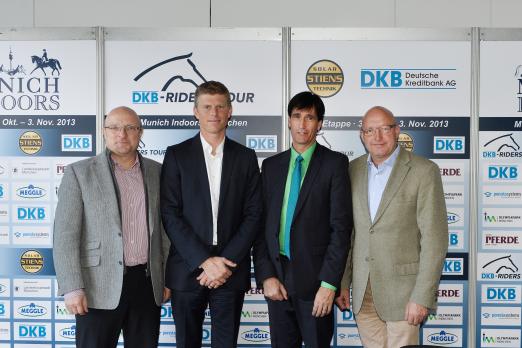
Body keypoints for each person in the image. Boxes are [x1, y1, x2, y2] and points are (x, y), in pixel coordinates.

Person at [53, 106, 170, 348]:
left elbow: (166, 231)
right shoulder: (79, 172)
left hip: (147, 285)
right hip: (97, 286)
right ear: (104, 132)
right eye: (114, 128)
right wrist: (72, 287)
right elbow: (65, 235)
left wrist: (166, 277)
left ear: (140, 132)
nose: (122, 134)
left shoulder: (158, 172)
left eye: (130, 128)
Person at [335, 106, 448, 347]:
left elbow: (434, 239)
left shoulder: (424, 171)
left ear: (396, 131)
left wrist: (422, 296)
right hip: (363, 293)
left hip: (405, 295)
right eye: (370, 130)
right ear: (362, 135)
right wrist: (343, 282)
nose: (377, 137)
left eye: (384, 129)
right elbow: (350, 233)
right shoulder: (351, 170)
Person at [160, 81, 262, 348]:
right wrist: (204, 261)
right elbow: (170, 214)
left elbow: (253, 215)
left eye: (220, 106)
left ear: (230, 111)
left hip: (231, 270)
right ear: (196, 111)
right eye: (207, 107)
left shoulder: (246, 157)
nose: (214, 113)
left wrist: (223, 263)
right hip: (187, 267)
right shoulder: (176, 155)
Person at [253, 91, 352, 347]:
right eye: (297, 116)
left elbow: (340, 229)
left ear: (320, 124)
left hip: (316, 280)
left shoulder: (335, 164)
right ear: (288, 120)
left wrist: (330, 284)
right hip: (278, 278)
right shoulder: (272, 166)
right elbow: (262, 227)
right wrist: (266, 276)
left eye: (310, 117)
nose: (302, 124)